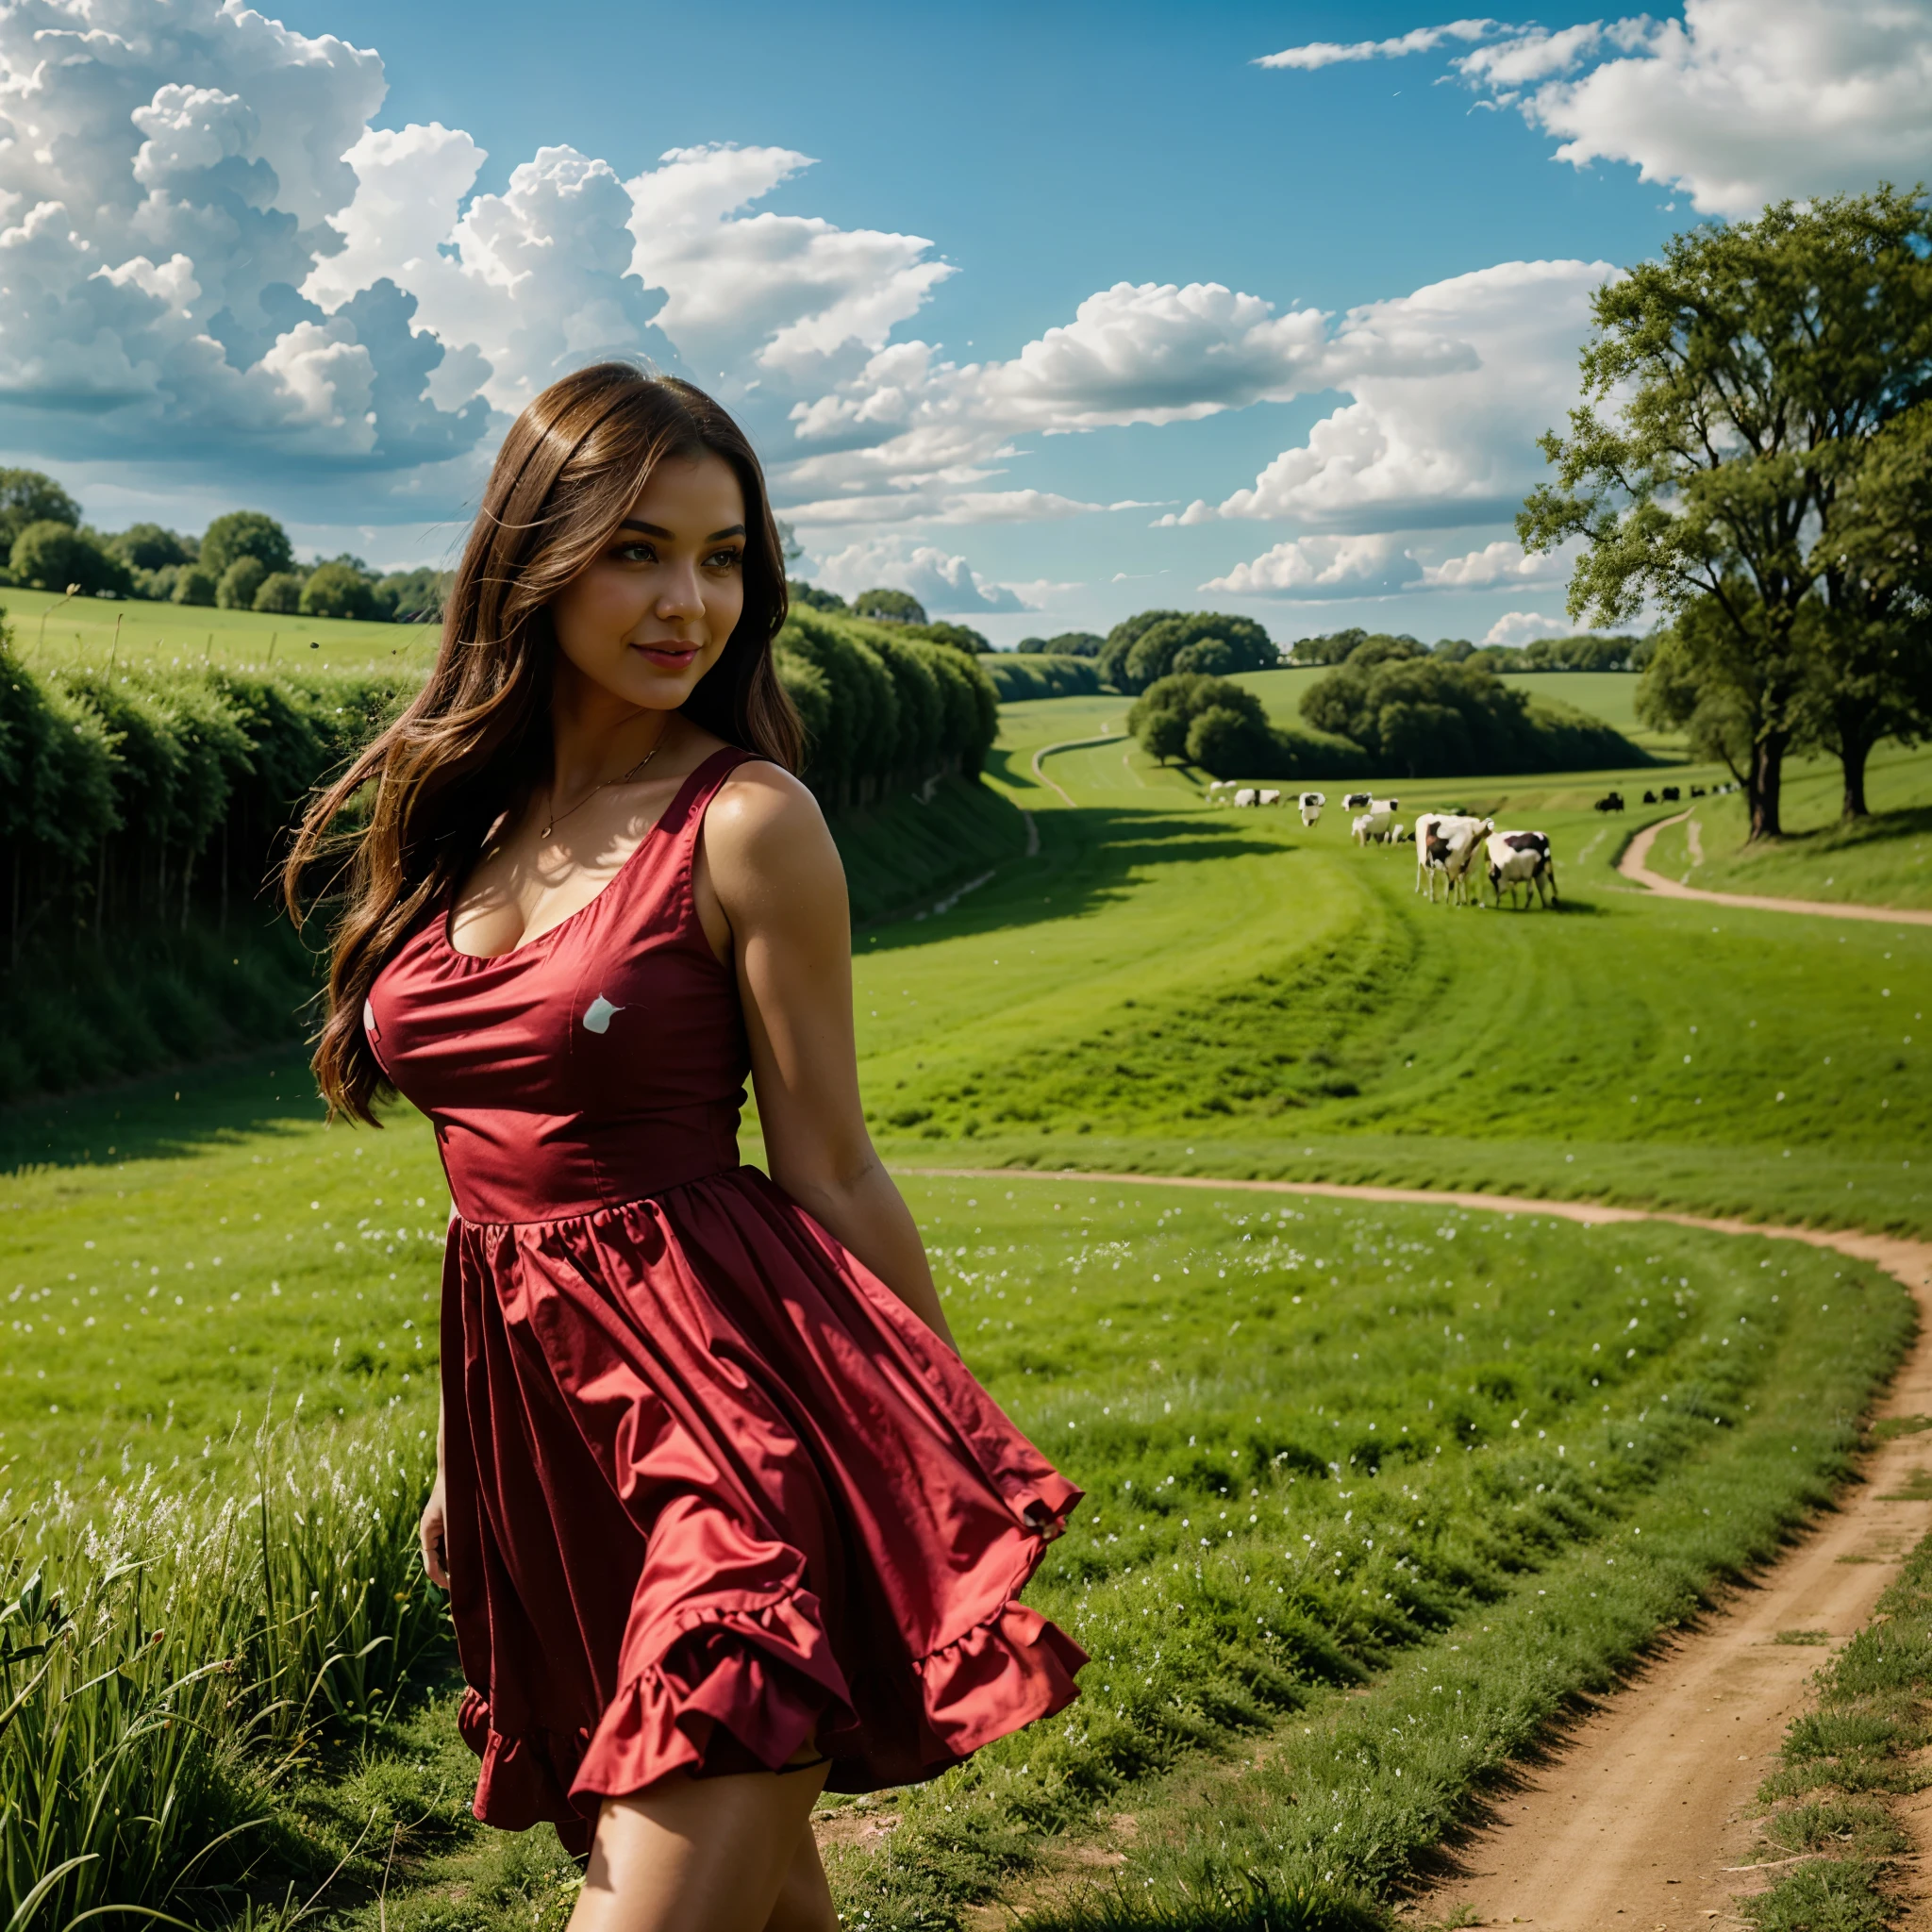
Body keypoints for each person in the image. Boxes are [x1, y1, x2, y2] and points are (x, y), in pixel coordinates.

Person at [284, 362, 1085, 1932]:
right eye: (640, 548)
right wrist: (465, 1463)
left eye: (725, 558)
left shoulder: (746, 821)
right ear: (534, 555)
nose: (689, 602)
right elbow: (491, 1202)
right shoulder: (461, 826)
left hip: (743, 1449)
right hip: (555, 1456)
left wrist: (912, 1481)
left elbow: (833, 1167)